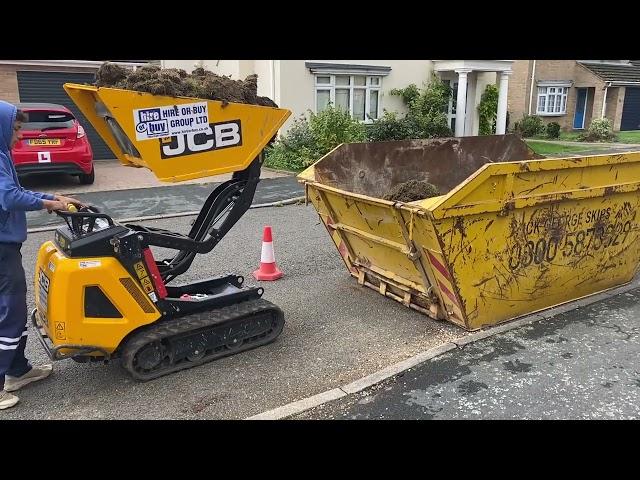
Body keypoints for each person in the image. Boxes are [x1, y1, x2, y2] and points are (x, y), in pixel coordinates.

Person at [0, 100, 83, 410]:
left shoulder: (3, 155)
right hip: (1, 249)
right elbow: (8, 196)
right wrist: (50, 204)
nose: (19, 136)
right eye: (16, 129)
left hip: (6, 244)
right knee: (9, 313)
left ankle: (17, 371)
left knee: (15, 309)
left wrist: (53, 197)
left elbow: (18, 191)